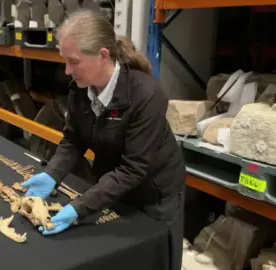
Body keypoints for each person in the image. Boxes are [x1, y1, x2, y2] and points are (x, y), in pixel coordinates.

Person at [20, 8, 186, 270]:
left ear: (103, 56)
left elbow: (133, 169)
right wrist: (52, 174)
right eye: (65, 61)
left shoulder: (147, 95)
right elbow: (73, 140)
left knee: (152, 258)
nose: (66, 71)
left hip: (154, 194)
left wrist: (80, 207)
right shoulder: (80, 91)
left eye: (73, 61)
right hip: (111, 186)